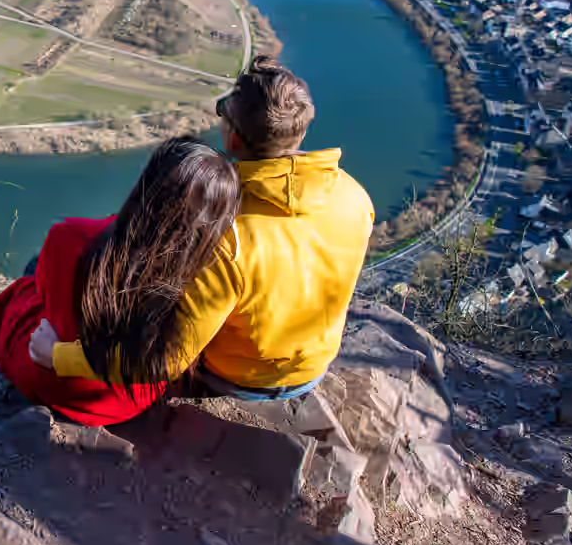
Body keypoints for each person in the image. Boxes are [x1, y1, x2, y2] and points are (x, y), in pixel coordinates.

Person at [26, 55, 375, 414]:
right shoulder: (354, 195)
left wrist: (59, 356)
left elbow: (167, 360)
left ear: (233, 137)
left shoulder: (226, 233)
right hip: (314, 367)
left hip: (242, 379)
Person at [0, 137, 242, 427]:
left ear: (148, 185)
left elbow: (48, 296)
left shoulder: (70, 237)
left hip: (58, 382)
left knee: (24, 290)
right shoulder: (209, 275)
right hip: (133, 397)